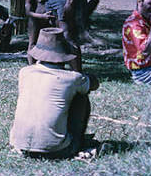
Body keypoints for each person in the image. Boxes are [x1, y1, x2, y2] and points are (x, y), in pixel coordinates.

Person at [10, 28, 99, 159]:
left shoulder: (24, 72)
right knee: (82, 95)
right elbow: (95, 84)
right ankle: (76, 141)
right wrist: (77, 69)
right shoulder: (72, 79)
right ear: (64, 56)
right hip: (57, 150)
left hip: (20, 145)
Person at [24, 0, 56, 64]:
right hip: (35, 21)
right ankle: (31, 65)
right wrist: (41, 16)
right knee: (33, 43)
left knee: (50, 43)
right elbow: (28, 12)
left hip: (49, 20)